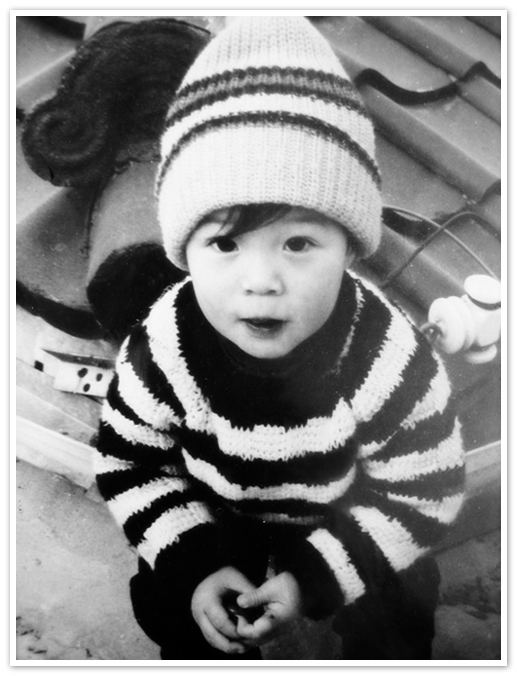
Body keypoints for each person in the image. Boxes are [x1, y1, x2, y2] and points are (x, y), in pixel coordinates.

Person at [94, 16, 465, 660]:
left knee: (400, 607)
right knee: (176, 601)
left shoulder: (386, 357)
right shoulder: (164, 348)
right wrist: (196, 564)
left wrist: (313, 576)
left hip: (342, 513)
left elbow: (423, 488)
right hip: (215, 513)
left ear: (349, 246)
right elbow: (131, 463)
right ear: (185, 249)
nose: (262, 280)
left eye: (298, 242)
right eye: (225, 243)